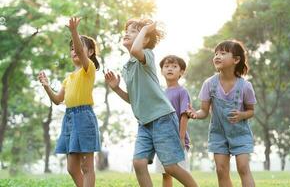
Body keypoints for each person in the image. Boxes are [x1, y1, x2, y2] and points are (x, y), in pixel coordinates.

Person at [104, 18, 198, 187]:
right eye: (127, 30)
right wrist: (117, 89)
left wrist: (147, 28)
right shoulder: (127, 68)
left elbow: (135, 49)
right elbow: (133, 100)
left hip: (162, 118)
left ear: (145, 39)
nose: (127, 33)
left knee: (170, 167)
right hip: (144, 123)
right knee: (138, 163)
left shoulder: (146, 55)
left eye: (133, 31)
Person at [38, 17, 101, 187]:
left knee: (87, 167)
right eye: (72, 48)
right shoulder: (68, 78)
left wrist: (74, 31)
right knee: (72, 167)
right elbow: (58, 100)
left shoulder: (89, 70)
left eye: (78, 47)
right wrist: (46, 86)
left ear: (90, 52)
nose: (75, 50)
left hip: (84, 117)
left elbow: (81, 52)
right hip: (70, 119)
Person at [187, 40, 256, 187]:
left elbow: (251, 111)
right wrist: (195, 114)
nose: (217, 56)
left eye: (223, 53)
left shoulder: (245, 86)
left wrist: (242, 115)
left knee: (243, 168)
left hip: (240, 134)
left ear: (236, 60)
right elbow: (204, 111)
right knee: (221, 170)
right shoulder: (209, 84)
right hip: (218, 134)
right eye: (216, 53)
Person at [155, 55, 192, 187]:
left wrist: (181, 138)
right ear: (161, 71)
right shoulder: (161, 93)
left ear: (181, 72)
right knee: (165, 173)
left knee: (181, 172)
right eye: (166, 66)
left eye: (174, 66)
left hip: (177, 139)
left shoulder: (182, 92)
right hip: (162, 140)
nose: (170, 69)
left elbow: (184, 115)